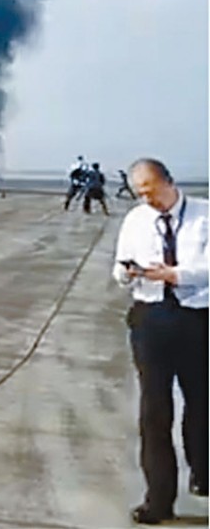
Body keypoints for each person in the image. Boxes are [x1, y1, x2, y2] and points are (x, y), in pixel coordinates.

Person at [112, 158, 208, 524]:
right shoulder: (135, 219)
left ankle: (203, 469)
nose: (146, 199)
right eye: (140, 193)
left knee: (201, 402)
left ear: (169, 181)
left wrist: (176, 274)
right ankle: (159, 499)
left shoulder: (204, 215)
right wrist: (126, 272)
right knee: (154, 412)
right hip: (151, 318)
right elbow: (118, 269)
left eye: (151, 191)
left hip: (197, 319)